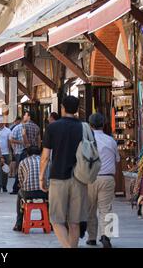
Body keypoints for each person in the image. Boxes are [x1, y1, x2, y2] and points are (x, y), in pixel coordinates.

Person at [40, 95, 86, 248]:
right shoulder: (84, 127)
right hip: (79, 178)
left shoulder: (53, 127)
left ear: (62, 108)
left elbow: (45, 157)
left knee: (56, 220)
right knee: (74, 222)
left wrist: (41, 178)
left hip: (58, 177)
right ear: (77, 109)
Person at [86, 113, 120, 248]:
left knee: (90, 209)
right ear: (103, 124)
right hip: (107, 177)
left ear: (90, 125)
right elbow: (117, 160)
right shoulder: (111, 140)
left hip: (90, 179)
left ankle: (92, 237)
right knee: (107, 209)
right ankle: (107, 237)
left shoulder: (86, 141)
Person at [13, 146, 48, 231]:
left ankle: (19, 223)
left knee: (19, 195)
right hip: (44, 192)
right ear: (40, 153)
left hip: (28, 193)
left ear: (27, 154)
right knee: (49, 200)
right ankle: (50, 222)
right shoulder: (45, 161)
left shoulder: (23, 162)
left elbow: (20, 180)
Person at [9, 117, 27, 194]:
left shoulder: (31, 126)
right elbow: (11, 139)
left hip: (28, 152)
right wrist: (21, 142)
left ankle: (20, 187)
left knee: (23, 170)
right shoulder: (17, 128)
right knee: (20, 170)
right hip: (19, 152)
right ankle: (16, 188)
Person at [0, 116, 12, 193]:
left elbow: (9, 143)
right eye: (0, 122)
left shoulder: (8, 131)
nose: (1, 123)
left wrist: (10, 153)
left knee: (5, 170)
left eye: (2, 122)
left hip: (6, 153)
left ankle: (4, 186)